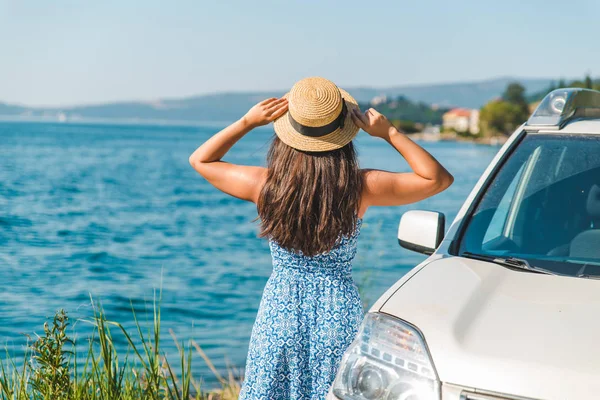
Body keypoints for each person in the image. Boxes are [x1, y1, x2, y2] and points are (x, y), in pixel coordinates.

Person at [188, 77, 453, 399]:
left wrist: (247, 122)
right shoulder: (358, 186)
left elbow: (201, 160)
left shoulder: (265, 184)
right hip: (337, 311)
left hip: (280, 310)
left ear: (286, 132)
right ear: (345, 134)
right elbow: (437, 179)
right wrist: (389, 133)